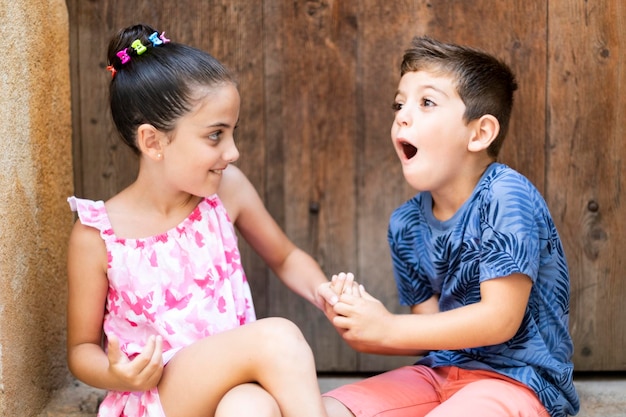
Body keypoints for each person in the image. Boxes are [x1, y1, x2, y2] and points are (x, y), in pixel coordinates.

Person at [66, 23, 333, 417]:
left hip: (232, 389)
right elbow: (80, 350)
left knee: (252, 408)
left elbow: (286, 258)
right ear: (153, 142)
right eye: (215, 136)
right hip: (157, 398)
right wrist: (118, 374)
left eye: (232, 133)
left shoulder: (228, 191)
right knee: (279, 338)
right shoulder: (97, 235)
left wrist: (326, 294)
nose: (233, 152)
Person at [320, 36, 580, 417]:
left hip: (518, 382)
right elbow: (429, 330)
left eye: (426, 102)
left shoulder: (506, 195)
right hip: (438, 374)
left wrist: (388, 327)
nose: (402, 116)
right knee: (320, 408)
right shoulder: (405, 223)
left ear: (479, 133)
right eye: (399, 103)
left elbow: (499, 320)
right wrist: (361, 323)